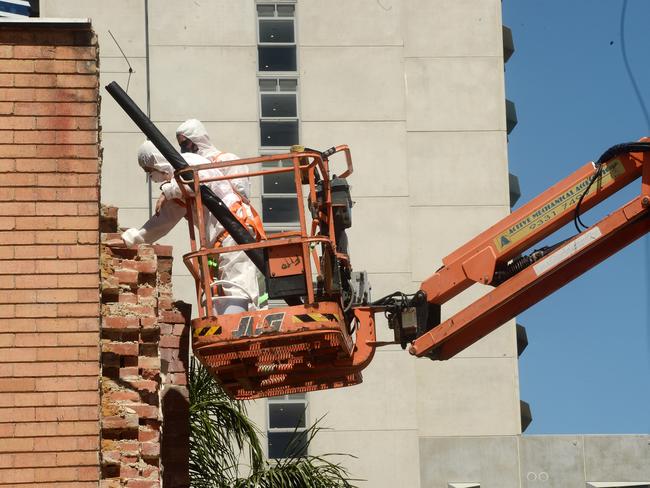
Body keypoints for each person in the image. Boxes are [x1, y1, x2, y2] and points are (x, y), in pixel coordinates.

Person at [120, 140, 261, 314]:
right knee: (231, 286)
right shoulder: (178, 185)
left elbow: (196, 179)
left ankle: (242, 330)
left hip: (235, 227)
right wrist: (130, 239)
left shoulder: (188, 162)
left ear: (157, 162)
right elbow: (163, 222)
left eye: (149, 171)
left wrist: (168, 190)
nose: (152, 177)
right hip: (225, 235)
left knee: (239, 285)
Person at [176, 119, 250, 201]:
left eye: (185, 143)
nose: (183, 149)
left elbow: (241, 193)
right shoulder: (191, 167)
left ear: (196, 139)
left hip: (227, 211)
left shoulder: (228, 159)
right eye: (181, 145)